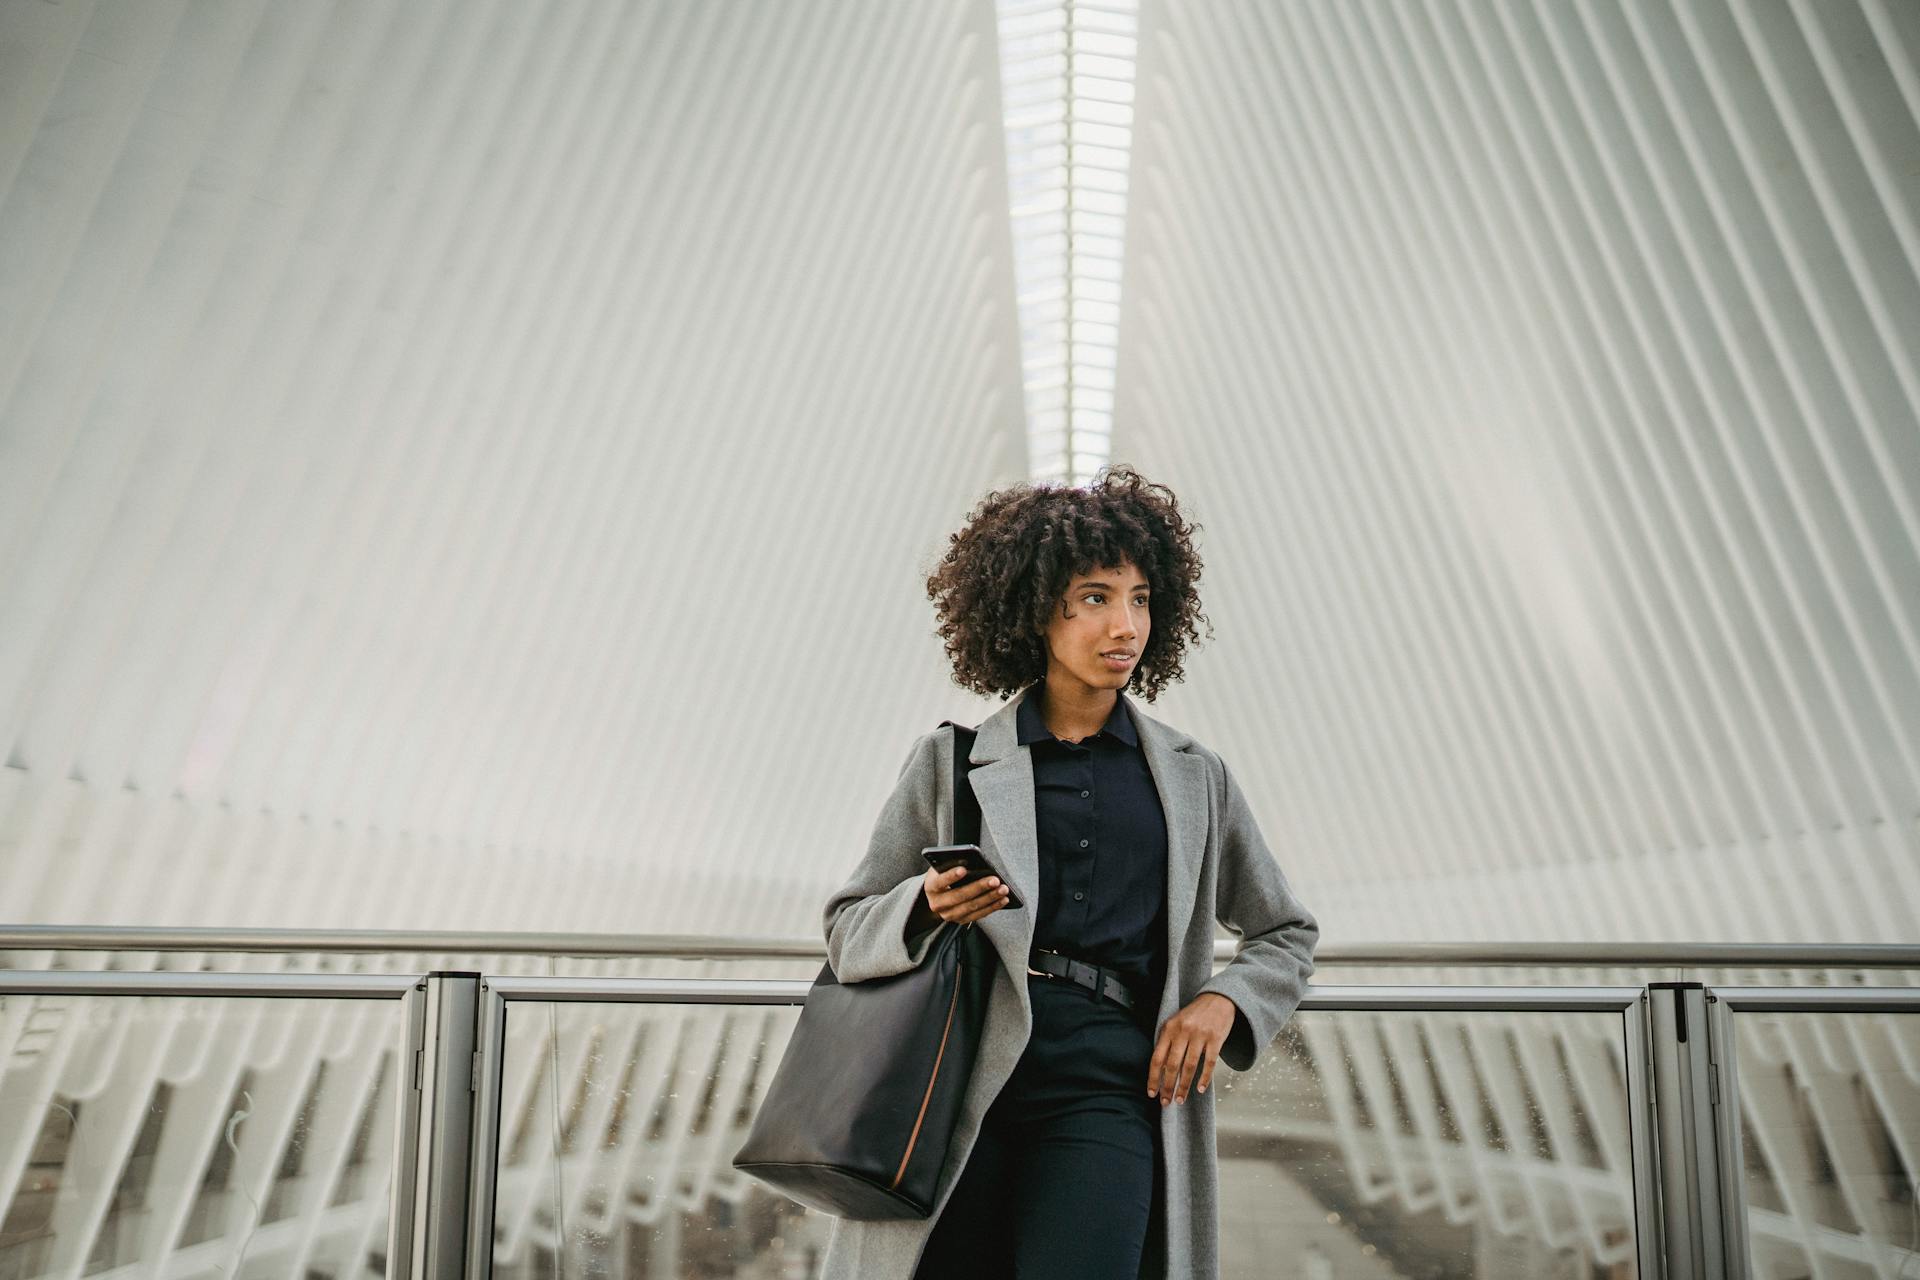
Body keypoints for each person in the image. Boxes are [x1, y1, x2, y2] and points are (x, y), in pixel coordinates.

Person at [819, 464, 1319, 1280]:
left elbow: (1285, 931)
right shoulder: (954, 764)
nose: (1124, 624)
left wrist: (1226, 1000)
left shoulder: (1194, 777)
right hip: (955, 1087)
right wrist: (926, 903)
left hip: (1112, 1089)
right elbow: (848, 926)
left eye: (1141, 598)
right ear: (1033, 611)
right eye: (1094, 597)